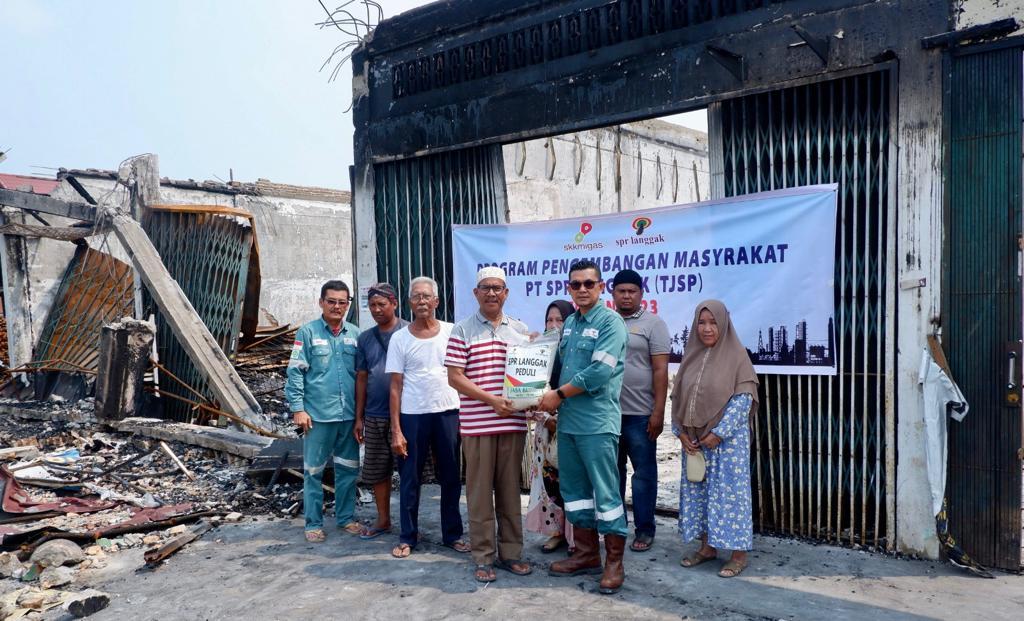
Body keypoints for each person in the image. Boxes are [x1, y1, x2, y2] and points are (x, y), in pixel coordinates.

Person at [537, 259, 629, 595]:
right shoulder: (570, 323)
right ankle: (588, 553)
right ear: (568, 288)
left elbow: (599, 373)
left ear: (601, 287)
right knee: (574, 494)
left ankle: (614, 562)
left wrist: (557, 395)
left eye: (589, 283)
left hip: (598, 424)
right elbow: (556, 367)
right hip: (569, 424)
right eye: (576, 284)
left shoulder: (611, 323)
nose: (582, 290)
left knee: (606, 494)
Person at [446, 266, 532, 583]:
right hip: (477, 426)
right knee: (480, 494)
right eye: (486, 288)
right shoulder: (463, 330)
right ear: (476, 293)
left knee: (510, 492)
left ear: (506, 293)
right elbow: (455, 378)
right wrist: (492, 400)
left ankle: (511, 554)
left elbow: (529, 377)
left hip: (513, 426)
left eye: (498, 287)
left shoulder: (520, 331)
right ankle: (483, 557)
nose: (492, 293)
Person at [672, 299, 759, 578]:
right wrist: (681, 433)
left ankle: (738, 554)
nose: (707, 328)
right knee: (701, 494)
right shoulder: (691, 357)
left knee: (730, 498)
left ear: (724, 324)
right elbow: (678, 399)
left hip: (727, 444)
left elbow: (743, 400)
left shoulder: (737, 357)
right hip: (696, 443)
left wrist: (718, 434)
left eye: (713, 322)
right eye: (702, 322)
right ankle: (707, 547)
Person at [385, 276, 469, 559]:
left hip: (447, 412)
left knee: (451, 478)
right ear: (409, 303)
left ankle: (452, 534)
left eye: (427, 296)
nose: (422, 301)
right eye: (416, 296)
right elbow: (395, 386)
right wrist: (396, 430)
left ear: (436, 301)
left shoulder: (452, 332)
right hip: (412, 415)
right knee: (409, 478)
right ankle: (408, 536)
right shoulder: (400, 338)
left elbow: (464, 375)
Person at [285, 280, 362, 543]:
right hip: (317, 417)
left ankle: (346, 518)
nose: (337, 307)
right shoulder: (306, 333)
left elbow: (362, 376)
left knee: (348, 469)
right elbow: (295, 372)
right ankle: (313, 524)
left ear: (348, 304)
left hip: (348, 416)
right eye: (332, 301)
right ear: (321, 302)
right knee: (314, 472)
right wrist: (298, 409)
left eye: (343, 302)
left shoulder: (355, 334)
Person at [610, 269, 670, 553]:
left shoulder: (653, 324)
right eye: (621, 291)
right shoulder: (605, 321)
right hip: (607, 413)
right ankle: (616, 527)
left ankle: (644, 529)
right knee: (613, 474)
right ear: (612, 294)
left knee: (643, 475)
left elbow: (660, 370)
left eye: (631, 291)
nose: (626, 295)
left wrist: (658, 412)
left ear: (641, 294)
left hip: (641, 415)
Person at [353, 283, 408, 540]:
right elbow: (362, 378)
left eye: (381, 304)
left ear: (394, 303)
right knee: (377, 470)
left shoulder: (410, 331)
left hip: (407, 414)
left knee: (409, 472)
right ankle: (383, 519)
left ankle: (410, 523)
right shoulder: (365, 338)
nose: (376, 310)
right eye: (372, 305)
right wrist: (359, 417)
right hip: (375, 415)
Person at [525, 300, 576, 553]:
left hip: (572, 424)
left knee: (574, 482)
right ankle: (556, 532)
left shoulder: (576, 351)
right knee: (550, 482)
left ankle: (576, 536)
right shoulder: (540, 350)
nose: (554, 325)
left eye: (560, 320)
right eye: (549, 320)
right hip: (546, 426)